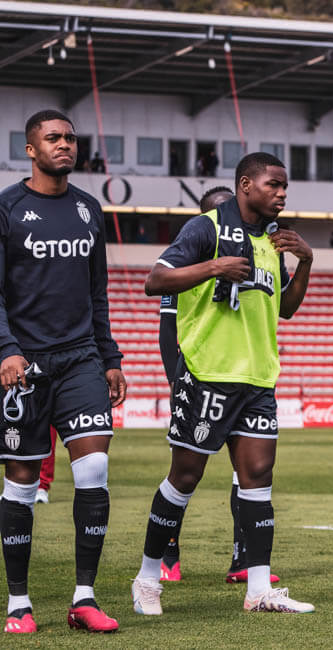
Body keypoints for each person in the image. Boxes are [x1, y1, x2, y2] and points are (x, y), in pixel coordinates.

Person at [130, 152, 314, 616]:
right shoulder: (204, 228)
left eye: (285, 186)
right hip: (208, 374)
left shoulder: (274, 240)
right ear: (246, 184)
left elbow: (286, 308)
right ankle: (147, 578)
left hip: (257, 378)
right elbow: (155, 280)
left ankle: (258, 590)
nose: (282, 193)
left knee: (258, 481)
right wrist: (214, 268)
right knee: (184, 478)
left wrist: (306, 261)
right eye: (273, 184)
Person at [0, 109, 127, 633]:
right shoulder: (7, 208)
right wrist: (6, 349)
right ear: (30, 149)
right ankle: (19, 603)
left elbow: (98, 292)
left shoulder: (88, 208)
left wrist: (111, 357)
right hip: (24, 364)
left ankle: (84, 598)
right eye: (53, 137)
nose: (65, 144)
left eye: (71, 137)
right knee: (22, 481)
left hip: (80, 359)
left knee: (93, 471)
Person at [154, 186, 280, 585]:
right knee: (185, 475)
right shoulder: (197, 246)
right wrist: (176, 381)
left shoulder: (263, 244)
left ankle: (244, 562)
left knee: (248, 476)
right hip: (200, 378)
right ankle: (166, 555)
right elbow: (168, 329)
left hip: (250, 380)